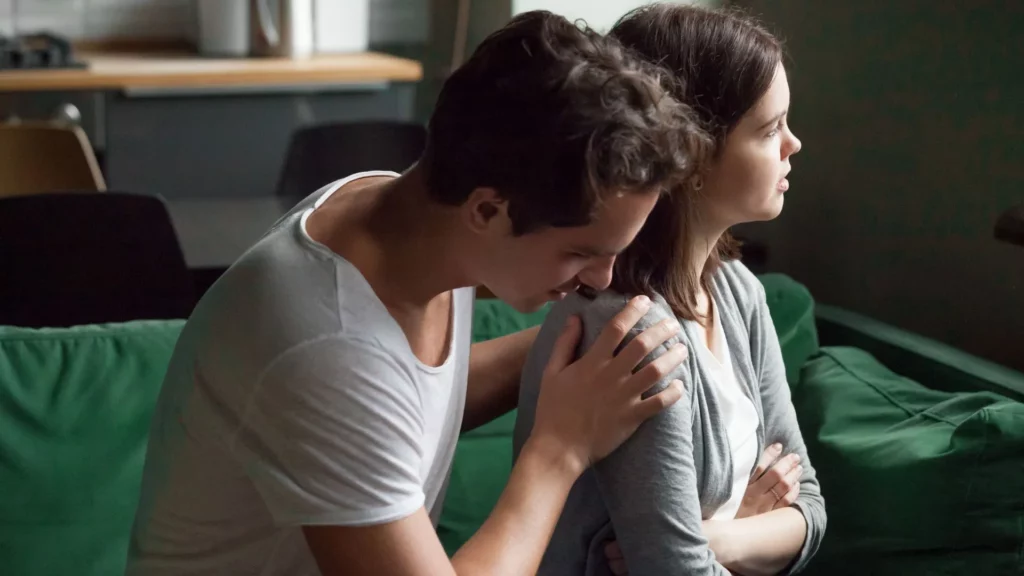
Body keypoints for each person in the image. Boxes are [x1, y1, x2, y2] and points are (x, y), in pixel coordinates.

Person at [125, 10, 708, 576]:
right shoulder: (322, 341)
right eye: (581, 252)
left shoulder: (401, 216)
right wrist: (561, 449)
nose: (601, 280)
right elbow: (356, 380)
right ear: (487, 209)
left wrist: (581, 351)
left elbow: (401, 399)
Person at [513, 4, 826, 575]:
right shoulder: (631, 332)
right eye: (769, 128)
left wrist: (721, 538)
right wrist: (748, 531)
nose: (793, 144)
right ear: (695, 155)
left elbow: (810, 507)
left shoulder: (739, 294)